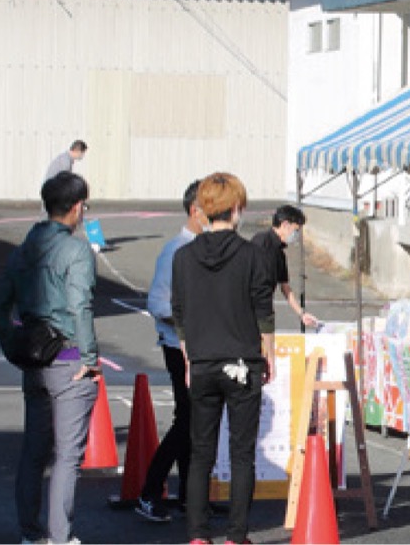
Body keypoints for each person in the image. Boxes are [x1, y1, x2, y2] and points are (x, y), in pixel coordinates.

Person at [0, 171, 100, 544]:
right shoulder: (76, 251)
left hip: (34, 358)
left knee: (34, 452)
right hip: (69, 357)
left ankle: (30, 533)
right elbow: (80, 305)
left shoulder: (23, 250)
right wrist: (89, 356)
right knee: (67, 456)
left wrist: (12, 346)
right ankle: (60, 536)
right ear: (78, 207)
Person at [172, 172, 276, 545]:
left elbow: (179, 312)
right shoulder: (252, 255)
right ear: (236, 208)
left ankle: (198, 535)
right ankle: (236, 535)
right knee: (241, 453)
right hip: (242, 362)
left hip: (201, 361)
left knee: (201, 453)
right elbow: (263, 310)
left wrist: (188, 359)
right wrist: (268, 353)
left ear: (204, 208)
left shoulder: (184, 257)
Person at [134, 179, 201, 523]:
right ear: (195, 210)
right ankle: (149, 491)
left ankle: (190, 496)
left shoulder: (207, 249)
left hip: (203, 348)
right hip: (178, 346)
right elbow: (157, 303)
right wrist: (192, 321)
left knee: (194, 423)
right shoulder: (176, 250)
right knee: (186, 420)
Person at [250, 205, 319, 329]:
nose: (296, 235)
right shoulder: (260, 242)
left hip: (266, 311)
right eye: (296, 230)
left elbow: (285, 287)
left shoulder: (280, 254)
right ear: (285, 225)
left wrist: (301, 313)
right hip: (251, 311)